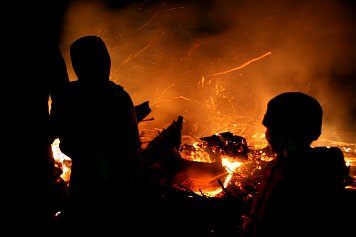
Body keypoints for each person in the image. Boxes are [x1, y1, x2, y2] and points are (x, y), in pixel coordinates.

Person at [50, 35, 143, 231]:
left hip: (88, 181)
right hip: (113, 183)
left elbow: (64, 136)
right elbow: (132, 148)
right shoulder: (118, 96)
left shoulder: (71, 96)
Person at [241, 92, 349, 237]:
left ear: (285, 133)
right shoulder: (278, 166)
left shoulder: (307, 179)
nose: (266, 134)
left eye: (270, 128)